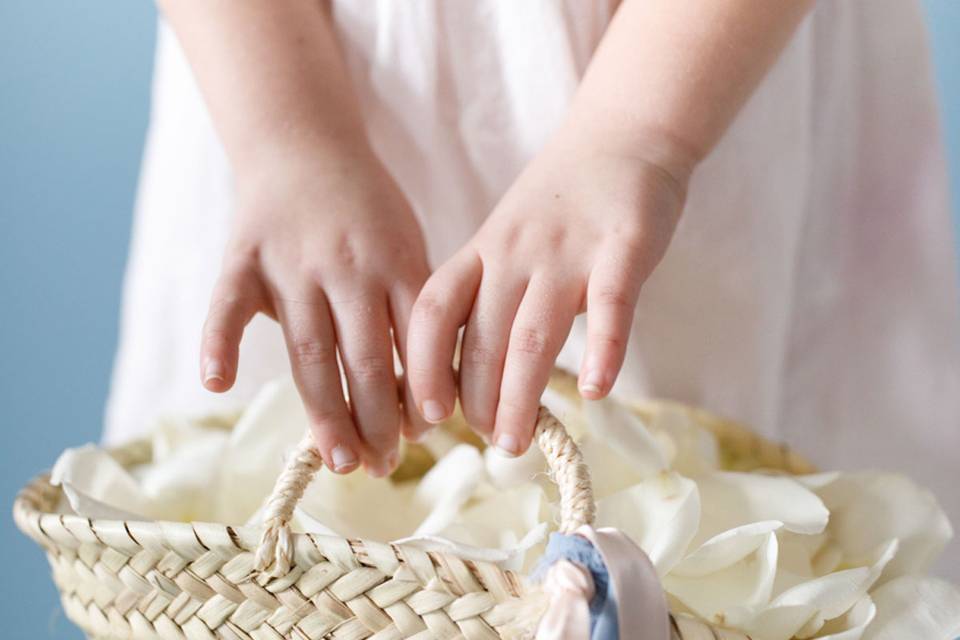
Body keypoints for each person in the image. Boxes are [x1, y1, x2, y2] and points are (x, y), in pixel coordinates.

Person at [106, 0, 960, 576]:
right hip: (282, 81)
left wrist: (639, 135)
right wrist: (291, 142)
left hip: (693, 66)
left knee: (719, 538)